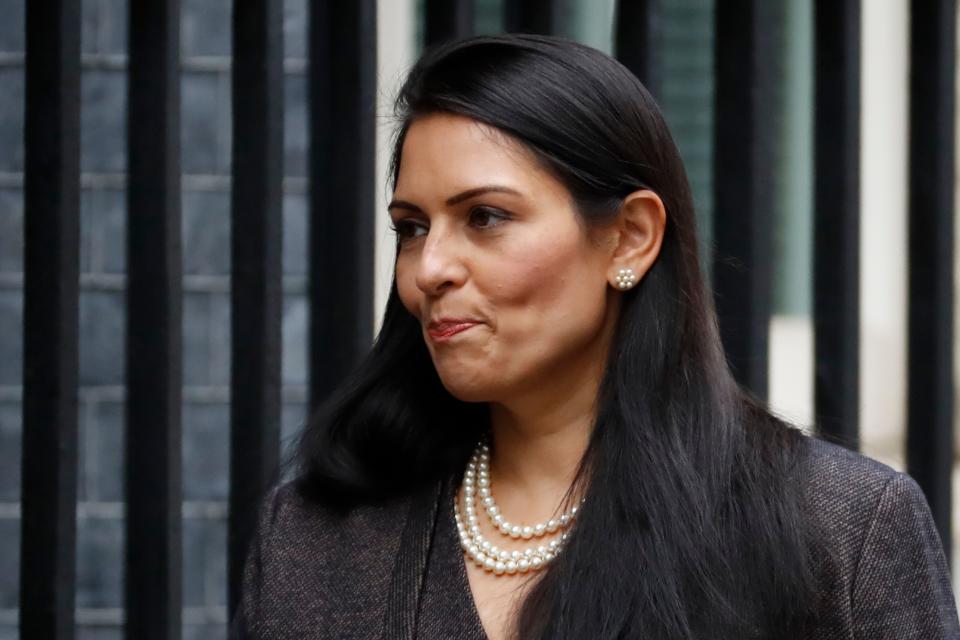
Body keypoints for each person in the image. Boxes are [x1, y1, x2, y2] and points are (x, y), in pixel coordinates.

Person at [229, 34, 960, 639]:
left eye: (484, 216)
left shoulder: (841, 532)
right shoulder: (319, 539)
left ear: (629, 239)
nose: (431, 268)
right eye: (412, 228)